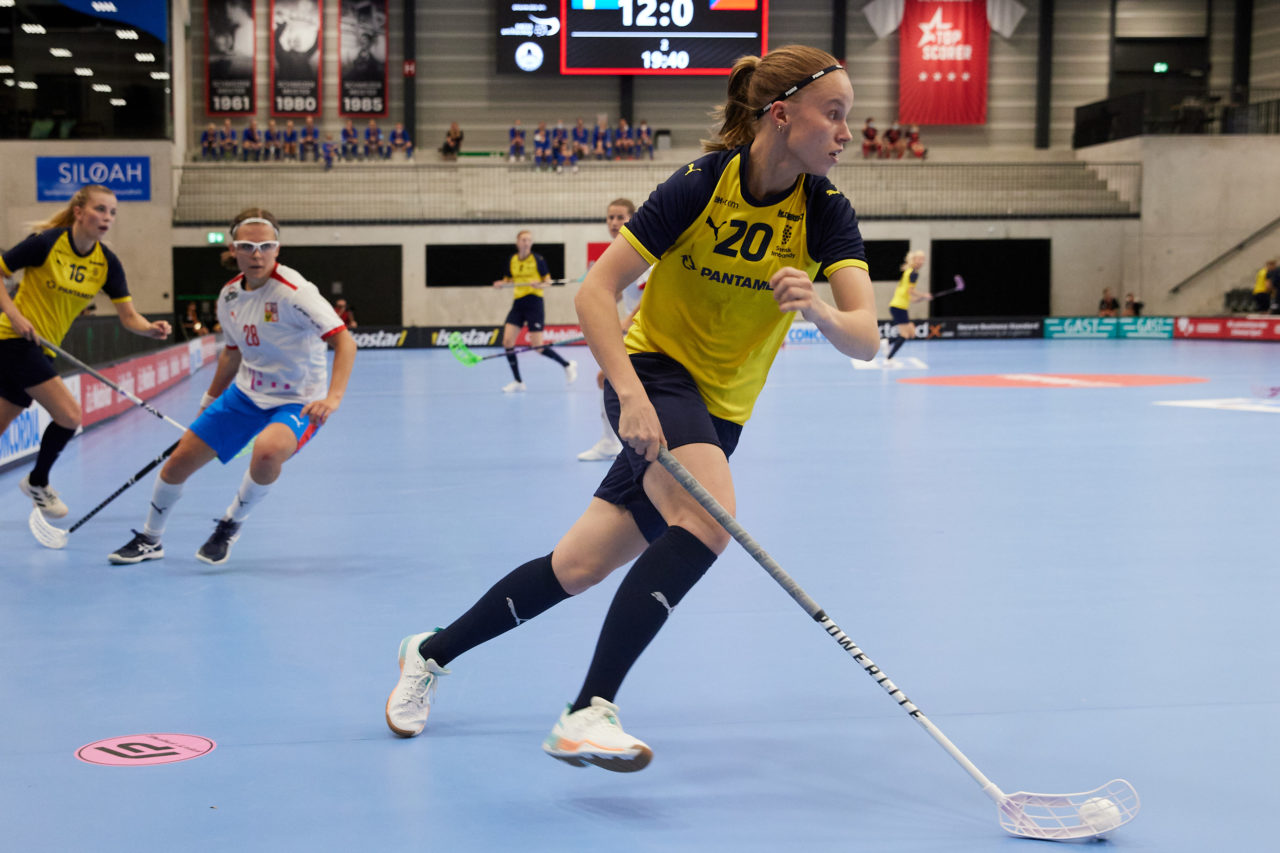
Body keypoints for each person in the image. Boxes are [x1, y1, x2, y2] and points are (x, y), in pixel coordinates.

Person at [385, 45, 877, 771]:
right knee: (708, 521)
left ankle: (428, 652)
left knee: (576, 566)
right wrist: (631, 395)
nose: (846, 132)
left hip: (720, 412)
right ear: (782, 114)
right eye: (834, 114)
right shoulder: (702, 183)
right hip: (653, 375)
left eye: (849, 118)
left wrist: (821, 310)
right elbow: (595, 290)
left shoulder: (827, 213)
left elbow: (866, 336)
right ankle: (587, 710)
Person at [108, 208, 355, 567]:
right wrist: (209, 400)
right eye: (247, 246)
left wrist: (332, 398)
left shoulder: (296, 292)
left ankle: (230, 523)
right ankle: (151, 538)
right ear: (234, 248)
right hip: (246, 395)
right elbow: (232, 353)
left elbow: (345, 342)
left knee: (268, 450)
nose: (257, 254)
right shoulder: (229, 297)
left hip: (299, 400)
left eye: (265, 246)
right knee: (177, 464)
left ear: (277, 249)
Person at [1, 184, 172, 518]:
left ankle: (37, 480)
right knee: (70, 415)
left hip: (43, 348)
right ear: (79, 211)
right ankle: (37, 481)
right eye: (100, 209)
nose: (107, 217)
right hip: (12, 340)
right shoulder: (47, 244)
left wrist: (151, 328)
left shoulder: (106, 263)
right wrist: (14, 314)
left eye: (112, 212)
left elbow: (129, 317)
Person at [578, 198, 647, 462]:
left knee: (610, 379)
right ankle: (613, 442)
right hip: (636, 332)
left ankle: (614, 442)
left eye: (620, 217)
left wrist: (628, 319)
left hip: (647, 331)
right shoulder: (616, 253)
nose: (614, 223)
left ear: (632, 218)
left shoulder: (642, 248)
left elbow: (653, 292)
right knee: (607, 379)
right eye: (610, 218)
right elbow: (614, 293)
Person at [491, 229, 577, 392]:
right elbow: (508, 279)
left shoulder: (538, 259)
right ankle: (518, 381)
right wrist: (501, 284)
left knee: (537, 346)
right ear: (517, 242)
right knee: (507, 342)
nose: (527, 242)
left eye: (529, 240)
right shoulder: (512, 260)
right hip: (518, 303)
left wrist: (540, 284)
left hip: (534, 302)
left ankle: (567, 365)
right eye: (523, 240)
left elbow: (548, 281)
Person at [886, 249, 930, 360]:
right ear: (914, 259)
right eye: (920, 258)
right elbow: (911, 291)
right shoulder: (913, 273)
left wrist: (922, 298)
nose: (922, 261)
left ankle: (886, 342)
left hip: (899, 306)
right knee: (905, 335)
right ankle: (889, 358)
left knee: (911, 333)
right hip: (899, 307)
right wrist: (924, 295)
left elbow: (910, 297)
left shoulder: (909, 271)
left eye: (923, 259)